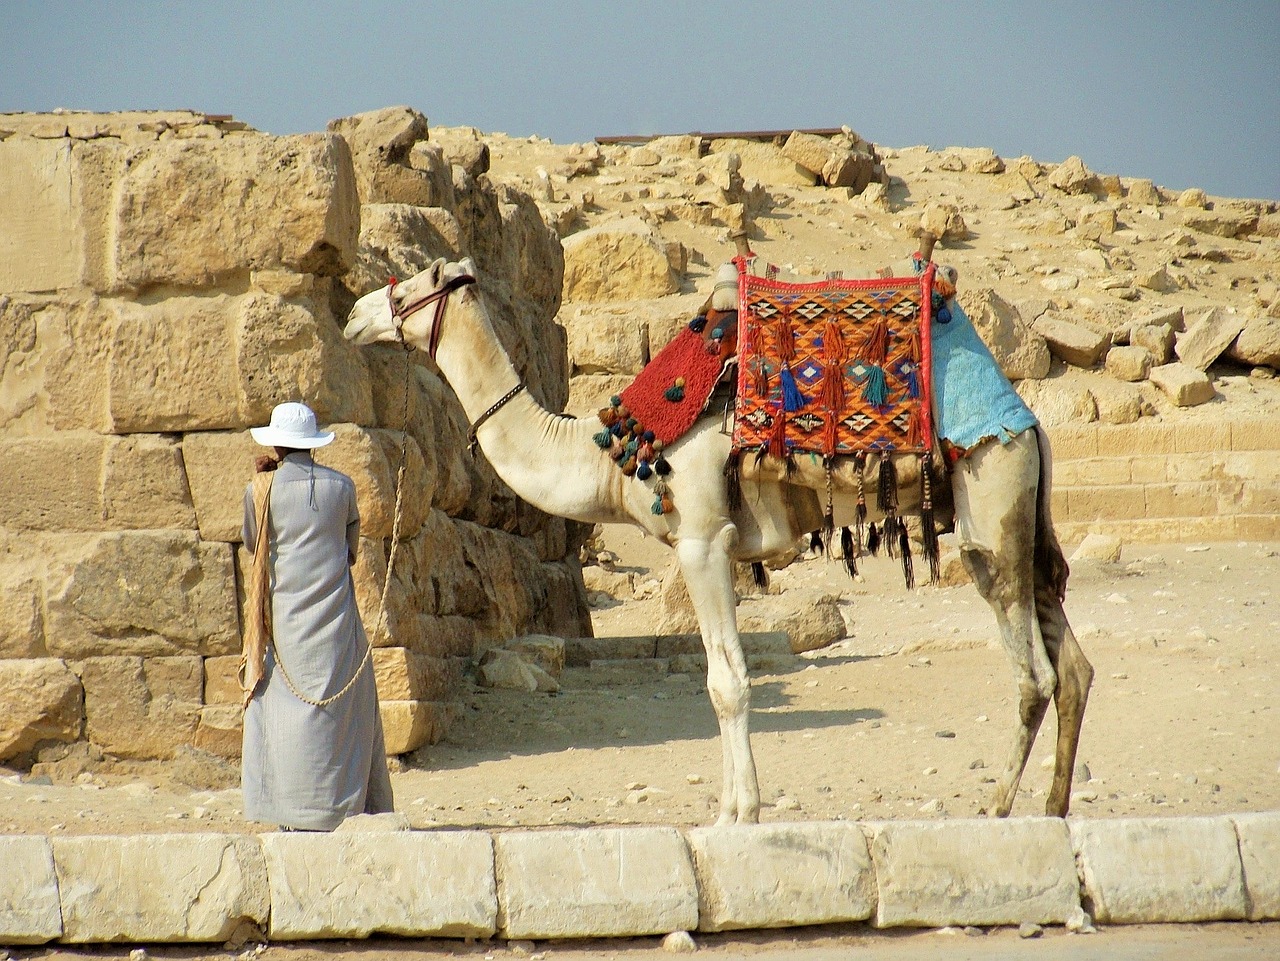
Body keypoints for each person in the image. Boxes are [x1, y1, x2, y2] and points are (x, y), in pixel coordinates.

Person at [239, 401, 394, 830]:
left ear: (276, 444)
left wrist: (266, 482)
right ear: (313, 445)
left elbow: (255, 545)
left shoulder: (260, 490)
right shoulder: (342, 488)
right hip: (335, 621)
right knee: (346, 710)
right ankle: (344, 807)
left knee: (278, 712)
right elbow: (347, 553)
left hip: (285, 623)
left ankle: (287, 810)